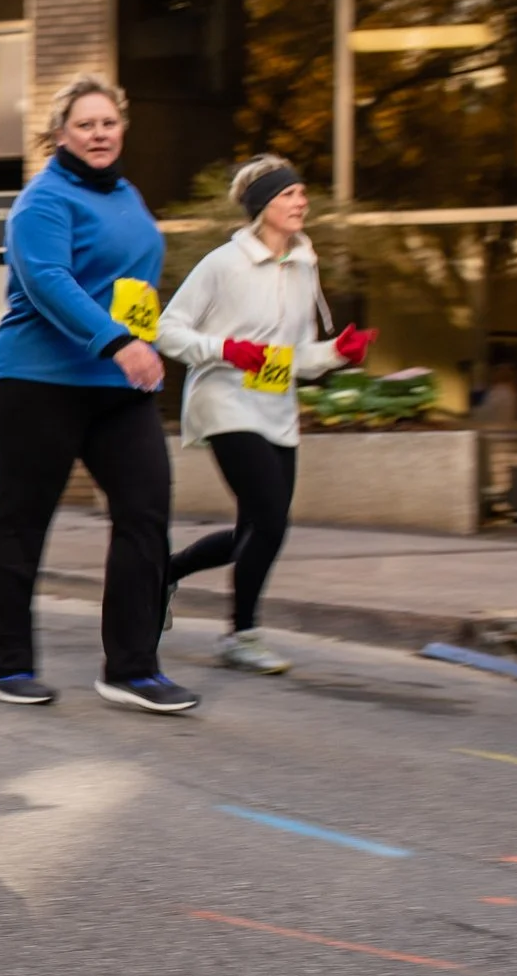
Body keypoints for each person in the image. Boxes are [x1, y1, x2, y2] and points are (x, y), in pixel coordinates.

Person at [0, 75, 194, 714]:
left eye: (108, 123)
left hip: (115, 384)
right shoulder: (42, 200)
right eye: (85, 124)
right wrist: (118, 340)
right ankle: (3, 663)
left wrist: (144, 341)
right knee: (23, 519)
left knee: (146, 513)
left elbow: (132, 286)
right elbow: (46, 280)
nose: (99, 134)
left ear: (122, 128)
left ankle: (133, 667)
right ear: (61, 133)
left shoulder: (127, 194)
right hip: (36, 379)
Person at [157, 157, 373, 674]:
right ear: (262, 207)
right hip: (224, 402)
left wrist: (337, 353)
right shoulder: (222, 264)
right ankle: (242, 634)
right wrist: (225, 349)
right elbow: (167, 331)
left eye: (302, 193)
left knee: (255, 529)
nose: (301, 202)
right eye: (288, 194)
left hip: (276, 406)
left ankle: (164, 573)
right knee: (272, 519)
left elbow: (296, 356)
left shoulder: (303, 265)